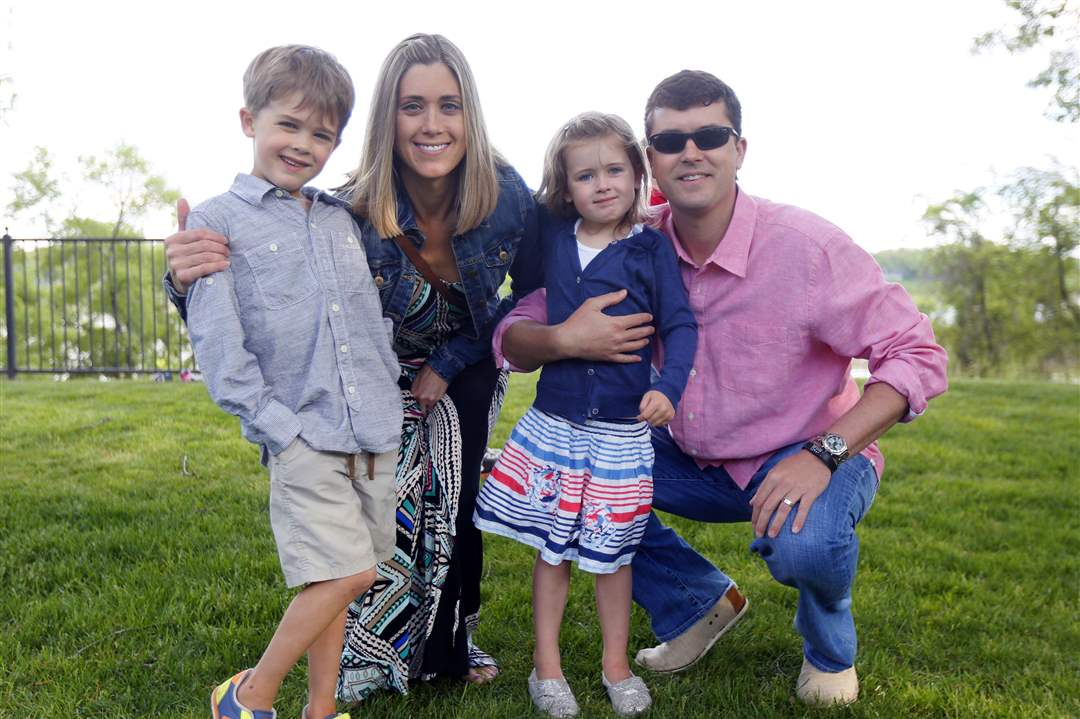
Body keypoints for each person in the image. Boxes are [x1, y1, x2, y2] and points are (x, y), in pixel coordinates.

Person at [495, 70, 949, 707]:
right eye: (670, 141)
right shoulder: (630, 240)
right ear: (649, 160)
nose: (691, 152)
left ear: (739, 149)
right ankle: (696, 602)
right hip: (685, 452)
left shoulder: (808, 249)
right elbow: (520, 321)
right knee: (563, 483)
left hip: (806, 451)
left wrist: (823, 455)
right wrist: (562, 340)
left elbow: (917, 354)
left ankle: (828, 651)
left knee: (807, 545)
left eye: (710, 136)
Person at [164, 34, 541, 703]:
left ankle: (448, 645)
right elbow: (265, 285)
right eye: (412, 106)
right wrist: (180, 276)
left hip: (465, 359)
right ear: (387, 119)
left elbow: (531, 290)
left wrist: (450, 362)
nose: (432, 124)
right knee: (380, 532)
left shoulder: (505, 193)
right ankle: (359, 658)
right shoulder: (355, 208)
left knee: (452, 501)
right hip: (373, 382)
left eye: (449, 106)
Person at [184, 45, 402, 719]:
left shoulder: (340, 218)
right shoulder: (216, 220)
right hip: (302, 431)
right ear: (249, 120)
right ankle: (247, 695)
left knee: (339, 576)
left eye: (322, 134)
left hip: (373, 429)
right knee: (349, 571)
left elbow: (366, 318)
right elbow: (220, 345)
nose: (304, 144)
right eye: (289, 124)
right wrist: (280, 431)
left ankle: (320, 707)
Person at [473, 112, 697, 718]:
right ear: (565, 187)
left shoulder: (651, 249)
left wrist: (670, 387)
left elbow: (680, 325)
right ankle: (546, 668)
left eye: (615, 170)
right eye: (585, 175)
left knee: (613, 555)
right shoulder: (553, 238)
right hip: (558, 427)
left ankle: (615, 664)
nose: (603, 185)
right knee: (553, 551)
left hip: (622, 432)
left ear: (638, 174)